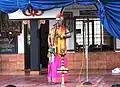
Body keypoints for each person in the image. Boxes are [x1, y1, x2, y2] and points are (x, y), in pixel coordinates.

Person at [47, 13, 71, 83]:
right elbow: (48, 37)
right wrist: (50, 45)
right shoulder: (52, 29)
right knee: (53, 64)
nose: (58, 22)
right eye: (57, 20)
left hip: (61, 50)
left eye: (59, 20)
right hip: (53, 49)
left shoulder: (64, 29)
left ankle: (61, 79)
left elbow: (69, 35)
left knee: (60, 64)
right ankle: (53, 79)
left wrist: (62, 36)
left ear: (62, 21)